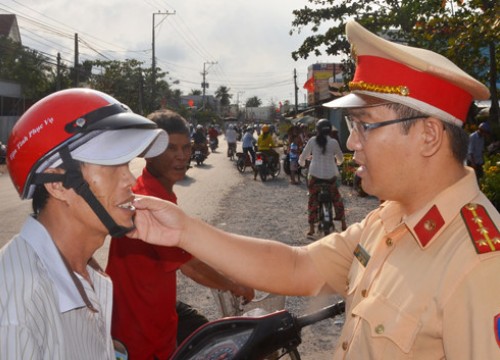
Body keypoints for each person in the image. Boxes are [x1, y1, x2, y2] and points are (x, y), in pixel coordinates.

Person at [126, 20, 500, 359]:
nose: (351, 142)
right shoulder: (390, 220)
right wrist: (185, 230)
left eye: (363, 125)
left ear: (428, 135)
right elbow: (296, 265)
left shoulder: (480, 265)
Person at [0, 88, 168, 359]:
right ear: (58, 184)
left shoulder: (84, 269)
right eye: (113, 164)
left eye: (127, 164)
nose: (130, 181)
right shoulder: (15, 307)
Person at [105, 109, 254, 360]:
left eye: (185, 148)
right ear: (148, 153)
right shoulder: (148, 201)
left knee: (204, 333)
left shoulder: (158, 192)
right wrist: (233, 284)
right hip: (139, 328)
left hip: (157, 312)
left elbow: (194, 248)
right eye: (171, 148)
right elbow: (192, 267)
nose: (182, 156)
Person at [299, 119, 346, 234]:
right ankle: (344, 224)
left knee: (312, 200)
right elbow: (341, 158)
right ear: (330, 130)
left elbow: (303, 156)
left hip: (315, 176)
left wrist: (302, 163)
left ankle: (311, 228)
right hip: (331, 177)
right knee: (337, 198)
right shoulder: (334, 142)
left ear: (317, 130)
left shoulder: (312, 141)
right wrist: (338, 162)